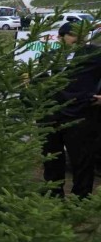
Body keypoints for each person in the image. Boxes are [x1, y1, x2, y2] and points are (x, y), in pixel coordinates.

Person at [40, 22, 101, 199]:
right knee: (52, 157)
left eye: (82, 34)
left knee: (81, 159)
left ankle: (81, 198)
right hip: (50, 114)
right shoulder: (48, 56)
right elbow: (40, 80)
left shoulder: (95, 54)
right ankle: (53, 192)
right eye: (73, 34)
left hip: (81, 113)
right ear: (60, 37)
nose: (79, 38)